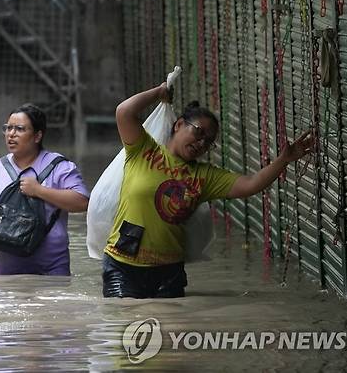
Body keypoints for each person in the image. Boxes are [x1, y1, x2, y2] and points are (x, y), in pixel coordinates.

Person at [102, 81, 315, 299]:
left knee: (169, 328)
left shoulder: (205, 176)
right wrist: (159, 92)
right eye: (198, 132)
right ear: (179, 125)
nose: (201, 143)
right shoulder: (143, 150)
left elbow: (252, 184)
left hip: (168, 272)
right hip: (123, 265)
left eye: (208, 141)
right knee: (126, 319)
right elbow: (124, 111)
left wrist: (284, 160)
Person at [0, 103, 90, 276]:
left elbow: (82, 201)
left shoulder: (60, 167)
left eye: (19, 129)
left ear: (37, 136)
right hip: (4, 273)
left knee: (53, 303)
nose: (11, 134)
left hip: (51, 271)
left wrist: (39, 191)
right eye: (8, 128)